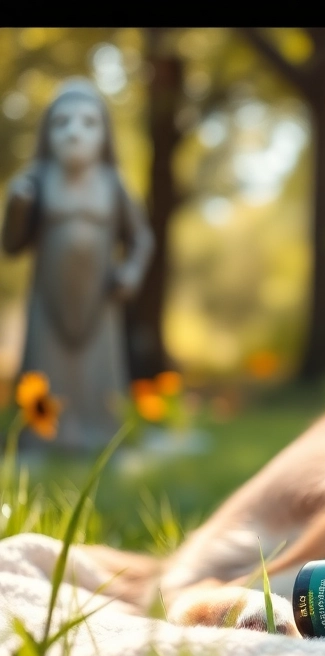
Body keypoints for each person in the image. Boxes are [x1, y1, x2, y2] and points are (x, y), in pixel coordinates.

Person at [1, 78, 154, 452]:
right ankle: (43, 441)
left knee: (99, 378)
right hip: (47, 303)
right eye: (62, 123)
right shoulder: (36, 182)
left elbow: (141, 238)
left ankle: (102, 437)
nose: (74, 133)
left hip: (100, 303)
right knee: (46, 374)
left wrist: (131, 272)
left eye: (88, 123)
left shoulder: (112, 184)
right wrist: (19, 208)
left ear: (105, 134)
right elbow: (11, 245)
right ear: (46, 133)